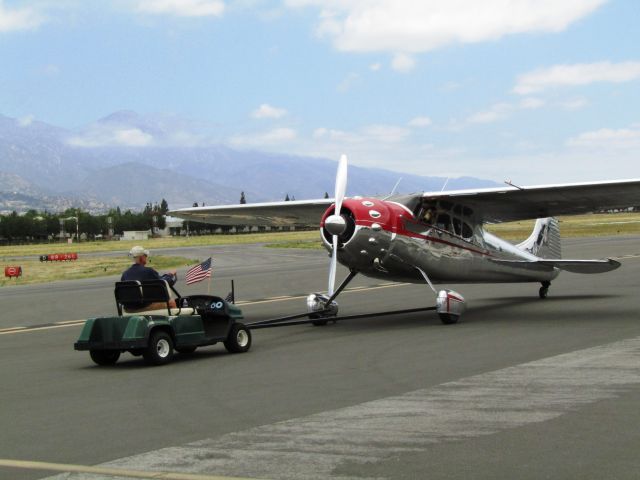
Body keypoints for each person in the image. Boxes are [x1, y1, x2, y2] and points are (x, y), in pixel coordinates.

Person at [121, 245, 178, 311]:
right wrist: (170, 275)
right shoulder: (148, 271)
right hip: (143, 307)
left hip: (128, 309)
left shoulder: (125, 274)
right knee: (172, 302)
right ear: (141, 258)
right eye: (145, 256)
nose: (146, 257)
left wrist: (165, 276)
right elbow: (164, 283)